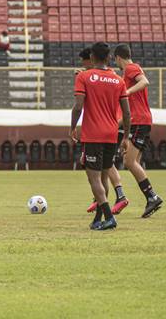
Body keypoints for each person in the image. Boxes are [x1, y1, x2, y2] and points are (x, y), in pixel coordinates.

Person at [71, 42, 131, 231]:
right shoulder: (118, 80)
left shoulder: (84, 77)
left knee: (94, 179)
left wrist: (72, 127)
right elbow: (127, 113)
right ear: (108, 58)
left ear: (93, 57)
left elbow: (78, 106)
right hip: (112, 135)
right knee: (104, 177)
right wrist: (126, 137)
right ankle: (98, 219)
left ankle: (109, 217)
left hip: (93, 135)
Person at [113, 44, 164, 218]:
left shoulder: (130, 69)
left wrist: (126, 91)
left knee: (128, 162)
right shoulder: (129, 71)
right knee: (134, 163)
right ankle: (150, 198)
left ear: (118, 58)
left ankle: (152, 196)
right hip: (140, 121)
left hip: (139, 122)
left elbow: (144, 81)